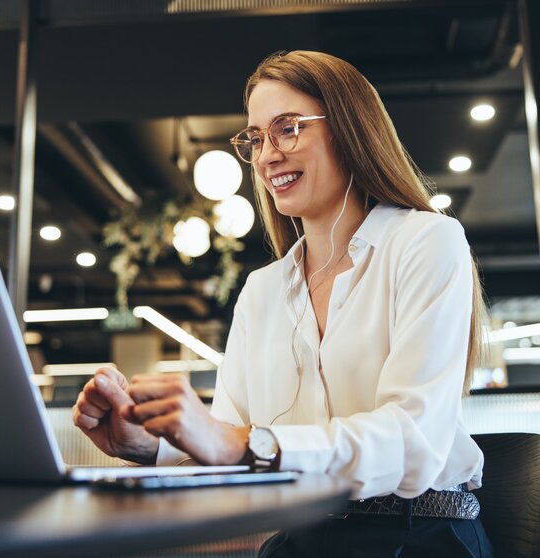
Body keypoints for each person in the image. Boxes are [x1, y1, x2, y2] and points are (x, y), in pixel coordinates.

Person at [73, 50, 494, 557]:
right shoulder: (263, 289)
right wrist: (151, 443)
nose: (268, 154)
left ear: (349, 129)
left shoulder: (426, 241)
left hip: (419, 533)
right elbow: (229, 439)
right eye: (255, 138)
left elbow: (413, 441)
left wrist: (248, 444)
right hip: (302, 537)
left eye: (287, 128)